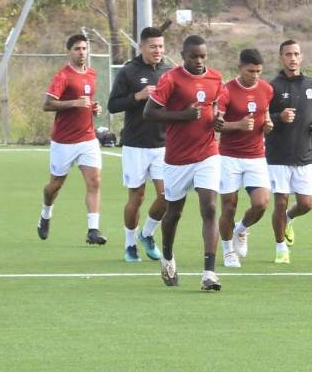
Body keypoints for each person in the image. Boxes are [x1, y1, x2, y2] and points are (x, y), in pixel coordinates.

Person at [143, 35, 225, 291]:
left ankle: (209, 273)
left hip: (208, 153)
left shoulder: (216, 78)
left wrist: (218, 120)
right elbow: (149, 112)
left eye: (203, 56)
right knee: (174, 213)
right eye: (194, 56)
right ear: (183, 56)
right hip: (177, 159)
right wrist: (183, 115)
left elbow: (217, 107)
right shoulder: (171, 79)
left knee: (209, 207)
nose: (199, 61)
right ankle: (167, 257)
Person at [107, 26, 169, 262]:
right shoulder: (128, 71)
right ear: (141, 46)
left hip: (163, 144)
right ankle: (130, 245)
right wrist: (137, 96)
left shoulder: (169, 72)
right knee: (137, 198)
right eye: (153, 46)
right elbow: (113, 105)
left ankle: (147, 234)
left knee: (167, 195)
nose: (158, 50)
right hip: (136, 144)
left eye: (161, 46)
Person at [38, 33, 105, 245]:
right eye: (77, 49)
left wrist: (94, 108)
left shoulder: (92, 73)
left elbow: (87, 101)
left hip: (88, 138)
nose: (81, 52)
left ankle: (93, 230)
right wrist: (74, 103)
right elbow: (47, 104)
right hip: (64, 141)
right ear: (69, 51)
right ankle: (46, 213)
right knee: (55, 186)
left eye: (84, 48)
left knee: (94, 181)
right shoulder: (63, 76)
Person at [265, 39, 312, 264]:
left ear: (301, 57)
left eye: (296, 54)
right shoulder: (271, 87)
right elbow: (262, 118)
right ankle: (280, 247)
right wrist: (278, 117)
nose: (293, 58)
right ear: (281, 57)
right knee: (280, 201)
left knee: (306, 204)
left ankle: (288, 219)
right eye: (288, 54)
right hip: (278, 154)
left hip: (304, 153)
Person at [214, 49, 274, 268]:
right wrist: (238, 125)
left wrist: (268, 125)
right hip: (229, 157)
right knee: (229, 207)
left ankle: (241, 229)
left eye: (258, 71)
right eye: (250, 71)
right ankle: (228, 251)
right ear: (240, 68)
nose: (255, 75)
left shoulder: (266, 89)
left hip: (256, 156)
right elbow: (216, 125)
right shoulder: (226, 90)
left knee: (261, 203)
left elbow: (265, 114)